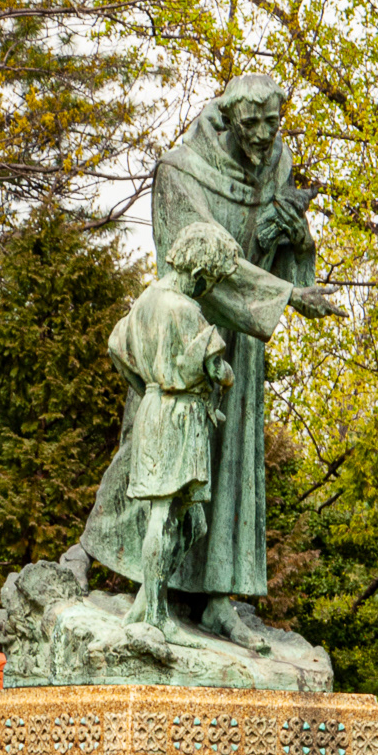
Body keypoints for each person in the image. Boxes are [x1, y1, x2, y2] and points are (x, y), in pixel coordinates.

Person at [81, 74, 334, 654]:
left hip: (240, 346)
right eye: (253, 125)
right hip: (181, 339)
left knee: (232, 468)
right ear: (226, 120)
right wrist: (285, 295)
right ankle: (148, 594)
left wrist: (299, 242)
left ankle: (221, 601)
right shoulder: (178, 173)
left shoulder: (277, 164)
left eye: (274, 124)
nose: (266, 137)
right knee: (154, 481)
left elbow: (279, 261)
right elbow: (197, 253)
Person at [108, 223, 238, 639]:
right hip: (177, 416)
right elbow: (215, 367)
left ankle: (148, 599)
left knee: (191, 523)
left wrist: (145, 387)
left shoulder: (144, 302)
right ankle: (156, 617)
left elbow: (116, 347)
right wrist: (224, 375)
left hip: (155, 408)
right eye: (212, 278)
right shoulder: (183, 309)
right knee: (164, 515)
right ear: (200, 267)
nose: (209, 286)